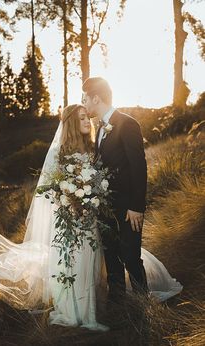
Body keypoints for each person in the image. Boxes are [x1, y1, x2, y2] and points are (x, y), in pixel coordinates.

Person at [0, 103, 182, 331]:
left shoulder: (92, 147)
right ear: (71, 123)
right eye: (80, 118)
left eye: (85, 117)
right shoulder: (62, 151)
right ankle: (80, 316)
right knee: (75, 265)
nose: (86, 121)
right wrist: (74, 201)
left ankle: (105, 309)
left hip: (93, 218)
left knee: (93, 265)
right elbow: (55, 188)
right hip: (73, 219)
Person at [82, 77, 182, 302]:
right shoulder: (98, 129)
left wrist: (137, 207)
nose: (84, 104)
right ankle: (116, 301)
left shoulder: (127, 124)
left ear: (96, 98)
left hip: (128, 207)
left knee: (130, 255)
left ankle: (143, 303)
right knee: (111, 254)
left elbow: (139, 166)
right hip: (105, 206)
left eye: (85, 99)